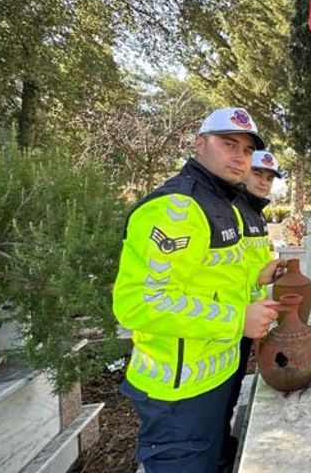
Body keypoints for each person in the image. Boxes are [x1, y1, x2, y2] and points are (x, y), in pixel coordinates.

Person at [113, 107, 286, 473]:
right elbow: (138, 302)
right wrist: (237, 319)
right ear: (199, 144)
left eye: (246, 149)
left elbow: (216, 281)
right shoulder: (174, 208)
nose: (239, 157)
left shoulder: (224, 203)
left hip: (215, 379)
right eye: (228, 144)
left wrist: (257, 281)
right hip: (177, 396)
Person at [220, 150, 283, 468]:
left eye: (270, 177)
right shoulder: (231, 210)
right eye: (258, 174)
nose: (264, 181)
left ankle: (223, 444)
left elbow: (250, 270)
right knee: (223, 392)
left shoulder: (256, 214)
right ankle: (218, 452)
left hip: (248, 317)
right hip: (228, 319)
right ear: (244, 171)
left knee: (231, 389)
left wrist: (267, 272)